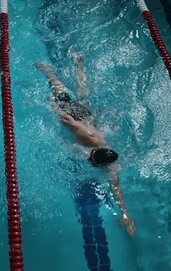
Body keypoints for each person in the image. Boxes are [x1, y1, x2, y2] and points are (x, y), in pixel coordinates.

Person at [36, 53, 136, 237]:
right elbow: (66, 119)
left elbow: (116, 189)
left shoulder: (110, 165)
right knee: (60, 92)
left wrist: (125, 214)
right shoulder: (86, 136)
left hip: (90, 118)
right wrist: (53, 107)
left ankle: (79, 64)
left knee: (83, 94)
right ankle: (48, 71)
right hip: (78, 118)